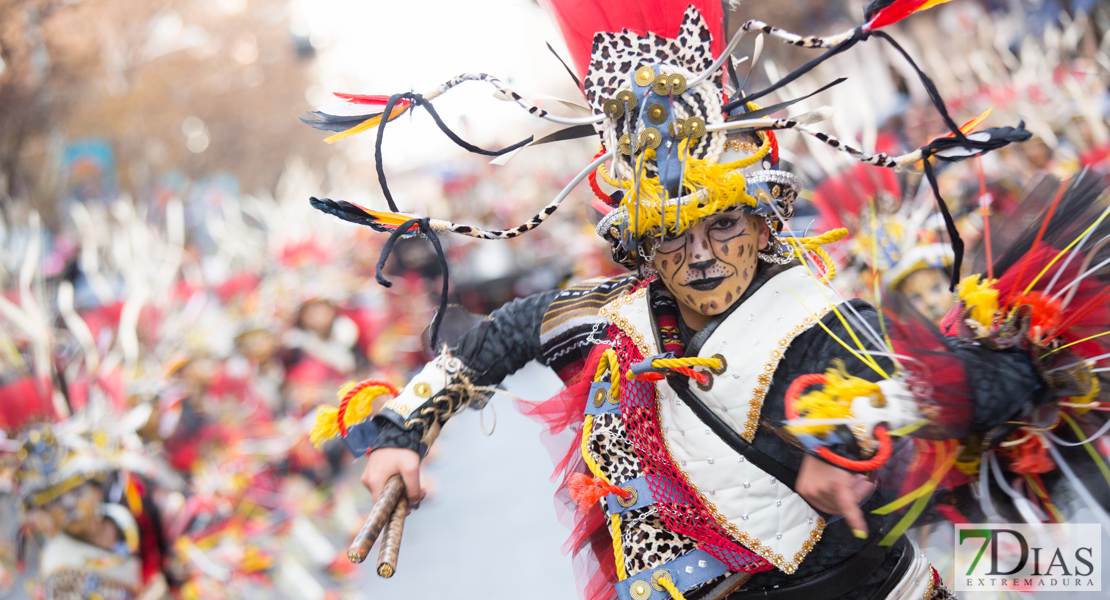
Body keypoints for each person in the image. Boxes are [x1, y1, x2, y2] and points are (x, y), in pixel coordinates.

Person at [303, 1, 1109, 598]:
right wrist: (401, 433)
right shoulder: (590, 320)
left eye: (721, 224)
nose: (698, 254)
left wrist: (859, 438)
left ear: (762, 226)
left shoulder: (820, 325)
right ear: (641, 245)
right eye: (671, 234)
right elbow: (482, 350)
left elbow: (968, 382)